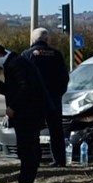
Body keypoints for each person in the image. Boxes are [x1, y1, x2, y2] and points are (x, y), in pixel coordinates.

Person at [0, 44, 48, 183]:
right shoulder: (14, 63)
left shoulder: (15, 64)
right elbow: (11, 89)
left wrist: (13, 106)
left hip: (28, 114)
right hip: (28, 113)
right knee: (27, 150)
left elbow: (25, 88)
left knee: (27, 151)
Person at [23, 27, 69, 167]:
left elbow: (23, 78)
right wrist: (58, 93)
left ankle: (35, 160)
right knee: (56, 131)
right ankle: (59, 160)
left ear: (32, 39)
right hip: (54, 98)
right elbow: (64, 77)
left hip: (35, 99)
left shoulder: (27, 54)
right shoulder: (57, 54)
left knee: (33, 130)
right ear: (47, 40)